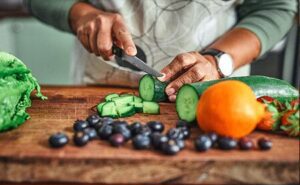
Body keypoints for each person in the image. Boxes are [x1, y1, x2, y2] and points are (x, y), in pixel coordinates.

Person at [24, 0, 297, 101]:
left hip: (217, 89)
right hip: (97, 81)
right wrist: (81, 14)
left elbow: (275, 7)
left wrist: (217, 61)